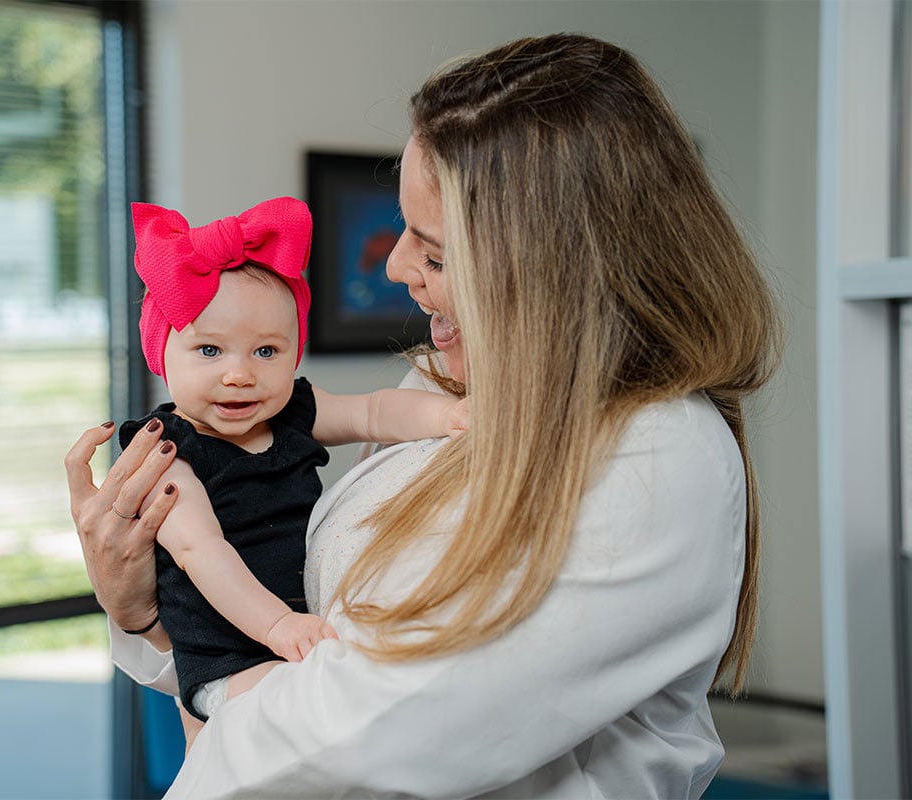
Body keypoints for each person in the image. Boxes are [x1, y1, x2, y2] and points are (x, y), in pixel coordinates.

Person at [65, 32, 781, 798]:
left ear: (552, 275)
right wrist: (142, 613)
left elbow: (367, 739)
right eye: (403, 228)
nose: (396, 266)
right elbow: (312, 642)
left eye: (436, 254)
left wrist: (205, 734)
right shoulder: (443, 391)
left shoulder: (653, 457)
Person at [112, 196, 467, 746]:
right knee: (309, 728)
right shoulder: (168, 453)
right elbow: (200, 550)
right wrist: (277, 626)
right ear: (161, 353)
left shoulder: (292, 412)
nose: (239, 375)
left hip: (295, 632)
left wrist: (447, 414)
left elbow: (372, 411)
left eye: (266, 352)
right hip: (226, 658)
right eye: (209, 350)